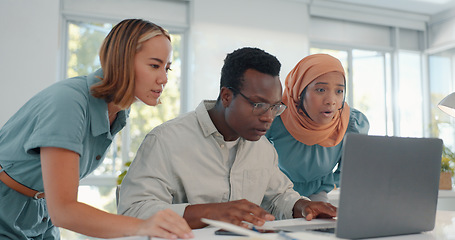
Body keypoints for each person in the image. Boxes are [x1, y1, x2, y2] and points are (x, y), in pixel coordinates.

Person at [0, 19, 193, 240]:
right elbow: (64, 209)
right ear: (122, 61)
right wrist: (143, 225)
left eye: (167, 67)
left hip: (40, 219)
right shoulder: (68, 103)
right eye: (154, 65)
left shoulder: (119, 111)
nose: (164, 79)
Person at [117, 47, 337, 229]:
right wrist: (209, 212)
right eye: (259, 105)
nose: (268, 118)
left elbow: (279, 197)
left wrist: (302, 206)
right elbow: (133, 210)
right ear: (226, 96)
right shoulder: (166, 141)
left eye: (275, 107)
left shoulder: (262, 148)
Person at [265, 53, 369, 202]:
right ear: (300, 91)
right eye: (321, 90)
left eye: (339, 91)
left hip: (318, 198)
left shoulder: (350, 123)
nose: (331, 101)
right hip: (274, 198)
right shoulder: (275, 118)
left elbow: (349, 175)